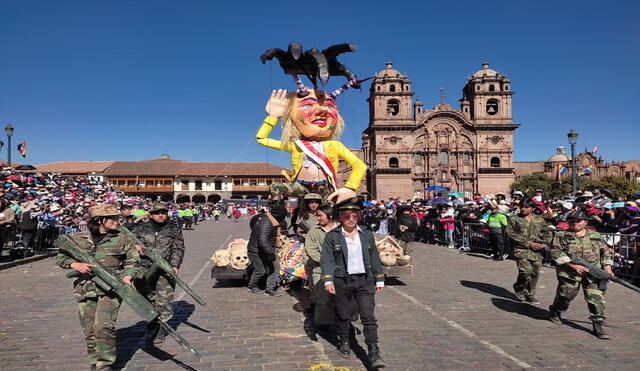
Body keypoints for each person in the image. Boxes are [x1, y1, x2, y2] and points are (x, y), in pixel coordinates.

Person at [54, 204, 140, 371]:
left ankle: (104, 365)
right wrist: (75, 264)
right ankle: (95, 361)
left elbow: (132, 259)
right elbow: (60, 257)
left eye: (117, 217)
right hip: (85, 288)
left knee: (104, 327)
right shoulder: (79, 238)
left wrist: (128, 275)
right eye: (113, 218)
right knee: (89, 329)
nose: (117, 220)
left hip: (111, 289)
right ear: (100, 220)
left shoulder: (122, 237)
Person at [321, 197, 385, 368]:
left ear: (359, 217)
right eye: (347, 215)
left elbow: (374, 257)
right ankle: (344, 342)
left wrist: (379, 278)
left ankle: (373, 352)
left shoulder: (366, 235)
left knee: (368, 317)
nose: (351, 219)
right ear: (341, 217)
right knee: (343, 314)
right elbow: (327, 260)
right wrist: (328, 280)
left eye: (354, 215)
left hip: (364, 281)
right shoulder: (332, 236)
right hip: (342, 280)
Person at [548, 209, 613, 339]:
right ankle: (556, 310)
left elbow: (605, 252)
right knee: (565, 296)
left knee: (596, 299)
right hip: (570, 273)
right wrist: (572, 265)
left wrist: (607, 268)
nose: (574, 223)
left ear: (586, 222)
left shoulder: (596, 235)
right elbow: (556, 252)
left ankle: (598, 325)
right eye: (571, 221)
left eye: (578, 221)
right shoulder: (561, 235)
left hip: (593, 273)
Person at [133, 202, 185, 344]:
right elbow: (126, 239)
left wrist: (175, 264)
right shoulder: (140, 228)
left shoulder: (174, 228)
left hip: (165, 268)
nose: (160, 215)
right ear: (150, 214)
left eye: (163, 212)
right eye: (157, 213)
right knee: (146, 297)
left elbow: (178, 248)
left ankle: (161, 329)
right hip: (144, 268)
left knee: (164, 298)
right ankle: (152, 323)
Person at [505, 199, 548, 304]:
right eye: (521, 207)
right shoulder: (515, 219)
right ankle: (519, 287)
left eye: (526, 207)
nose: (523, 209)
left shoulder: (540, 220)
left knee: (534, 273)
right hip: (521, 250)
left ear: (533, 208)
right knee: (526, 271)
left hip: (537, 251)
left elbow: (547, 233)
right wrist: (528, 243)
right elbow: (510, 233)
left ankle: (529, 294)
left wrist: (544, 244)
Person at [304, 203, 338, 333]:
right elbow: (310, 249)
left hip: (339, 269)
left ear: (329, 215)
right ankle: (324, 324)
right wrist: (326, 260)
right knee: (322, 297)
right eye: (317, 216)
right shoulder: (314, 230)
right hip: (319, 268)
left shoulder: (341, 229)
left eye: (320, 215)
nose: (318, 218)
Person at [247, 200, 288, 296]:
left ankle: (269, 288)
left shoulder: (270, 220)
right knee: (261, 270)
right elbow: (263, 239)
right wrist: (270, 252)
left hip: (265, 249)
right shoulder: (267, 222)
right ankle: (252, 286)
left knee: (274, 268)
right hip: (257, 250)